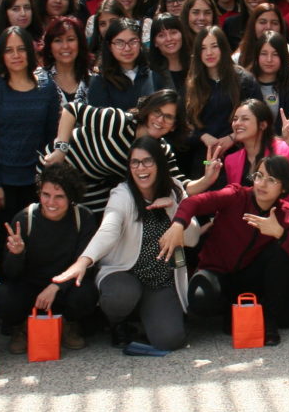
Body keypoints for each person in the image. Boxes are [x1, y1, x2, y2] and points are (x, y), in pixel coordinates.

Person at [53, 137, 190, 351]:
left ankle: (147, 318)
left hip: (159, 281)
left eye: (147, 161)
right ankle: (117, 322)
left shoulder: (176, 191)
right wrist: (83, 261)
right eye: (134, 162)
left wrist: (174, 212)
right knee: (121, 296)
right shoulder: (122, 194)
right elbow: (109, 229)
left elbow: (194, 236)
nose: (140, 168)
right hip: (125, 275)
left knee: (170, 340)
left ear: (159, 164)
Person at [162, 155, 289, 346]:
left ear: (284, 188)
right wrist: (178, 225)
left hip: (256, 280)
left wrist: (279, 233)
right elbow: (194, 202)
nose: (262, 184)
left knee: (282, 251)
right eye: (259, 175)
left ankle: (267, 318)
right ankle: (232, 312)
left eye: (271, 180)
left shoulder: (288, 214)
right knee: (200, 301)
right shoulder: (236, 195)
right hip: (218, 272)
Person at [41, 89, 220, 214]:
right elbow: (72, 109)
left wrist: (207, 178)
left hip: (92, 186)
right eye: (157, 112)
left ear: (174, 126)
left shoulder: (161, 151)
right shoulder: (119, 122)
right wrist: (61, 149)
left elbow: (179, 185)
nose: (160, 120)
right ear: (148, 111)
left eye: (168, 117)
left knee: (94, 226)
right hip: (58, 167)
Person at [0, 163, 99, 354]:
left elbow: (85, 264)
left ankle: (69, 325)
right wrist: (17, 254)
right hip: (30, 288)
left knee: (87, 292)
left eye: (59, 196)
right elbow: (10, 273)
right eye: (46, 195)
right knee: (3, 297)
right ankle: (21, 328)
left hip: (64, 286)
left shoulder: (83, 218)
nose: (51, 202)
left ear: (71, 197)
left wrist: (57, 286)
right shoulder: (25, 218)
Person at [0, 27, 60, 230]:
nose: (16, 55)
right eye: (9, 50)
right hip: (3, 184)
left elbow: (51, 136)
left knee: (36, 239)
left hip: (36, 180)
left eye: (21, 49)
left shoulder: (46, 87)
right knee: (8, 242)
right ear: (1, 55)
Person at [221, 99, 289, 211]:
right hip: (245, 223)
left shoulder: (283, 150)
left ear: (263, 125)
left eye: (245, 119)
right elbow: (234, 198)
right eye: (235, 119)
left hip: (280, 222)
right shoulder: (231, 160)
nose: (237, 123)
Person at [185, 26, 263, 165]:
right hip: (205, 158)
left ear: (223, 47)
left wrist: (233, 138)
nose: (209, 53)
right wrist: (203, 136)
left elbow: (259, 118)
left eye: (214, 46)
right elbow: (184, 123)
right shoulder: (192, 83)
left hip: (240, 154)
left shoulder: (244, 80)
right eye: (203, 48)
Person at [87, 18, 165, 110]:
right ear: (110, 47)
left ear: (140, 43)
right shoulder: (99, 80)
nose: (127, 48)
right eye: (119, 43)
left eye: (133, 41)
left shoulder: (154, 75)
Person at [37, 16, 92, 106]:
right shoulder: (37, 80)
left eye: (70, 39)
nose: (65, 46)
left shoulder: (93, 81)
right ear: (50, 47)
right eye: (58, 40)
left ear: (80, 43)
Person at [247, 30, 289, 119]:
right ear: (257, 56)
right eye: (264, 54)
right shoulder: (246, 85)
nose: (269, 59)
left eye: (275, 54)